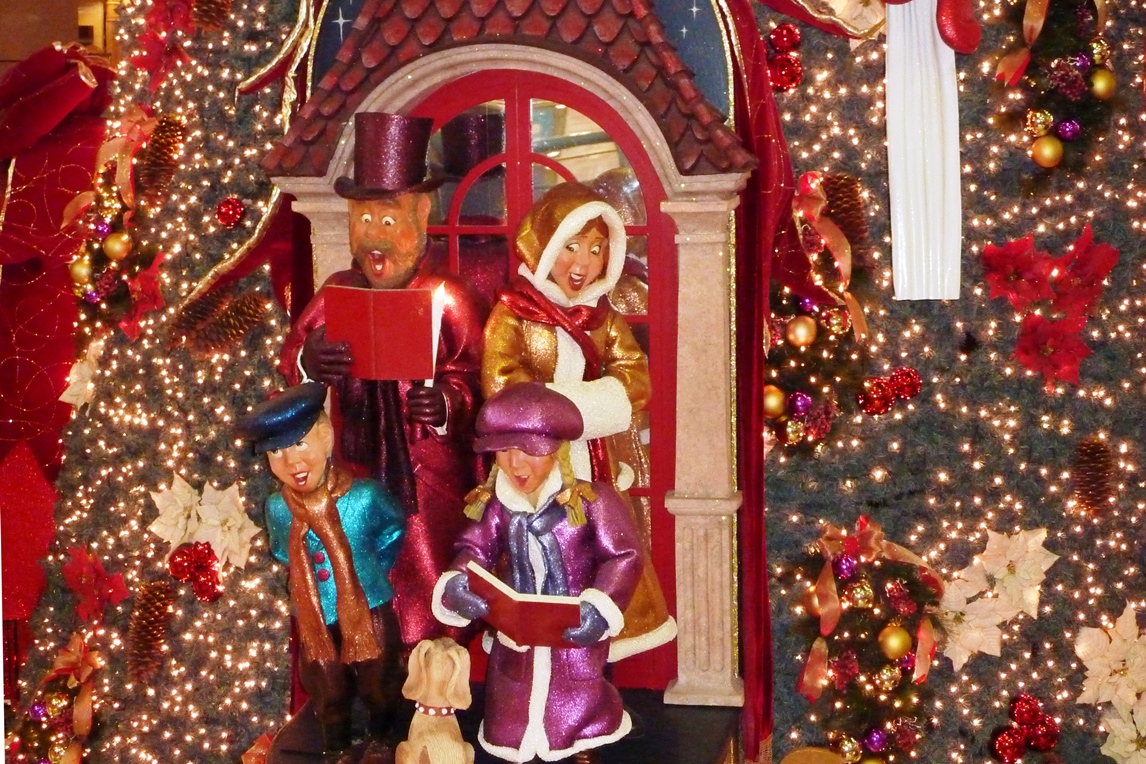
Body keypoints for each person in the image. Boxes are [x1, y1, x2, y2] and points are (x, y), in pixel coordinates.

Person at [280, 112, 487, 649]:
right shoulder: (337, 292)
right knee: (360, 574)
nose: (374, 237)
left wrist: (446, 402)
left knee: (429, 571)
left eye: (388, 221)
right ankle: (370, 664)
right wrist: (311, 361)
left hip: (425, 474)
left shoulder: (449, 299)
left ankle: (435, 665)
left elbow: (475, 376)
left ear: (421, 216)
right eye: (364, 220)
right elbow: (292, 358)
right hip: (354, 470)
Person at [481, 180, 674, 660]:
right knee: (534, 554)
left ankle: (593, 655)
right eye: (572, 246)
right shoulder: (512, 315)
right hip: (530, 466)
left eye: (596, 249)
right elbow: (502, 385)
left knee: (601, 550)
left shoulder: (603, 318)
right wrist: (565, 412)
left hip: (594, 463)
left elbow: (636, 377)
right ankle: (535, 657)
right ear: (545, 246)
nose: (583, 262)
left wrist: (584, 409)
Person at [432, 383, 643, 763]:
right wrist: (458, 584)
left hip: (572, 632)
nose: (516, 465)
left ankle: (581, 744)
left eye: (529, 451)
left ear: (556, 450)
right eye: (505, 452)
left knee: (580, 704)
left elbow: (623, 556)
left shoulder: (592, 501)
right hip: (517, 637)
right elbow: (473, 550)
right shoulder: (495, 507)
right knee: (514, 703)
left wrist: (599, 607)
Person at [237, 382, 406, 764]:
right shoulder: (277, 508)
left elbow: (393, 528)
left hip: (368, 608)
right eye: (277, 452)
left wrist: (373, 572)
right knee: (327, 685)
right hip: (314, 616)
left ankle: (382, 736)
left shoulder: (365, 496)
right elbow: (282, 550)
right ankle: (337, 745)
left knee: (379, 679)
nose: (291, 462)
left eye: (300, 444)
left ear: (326, 439)